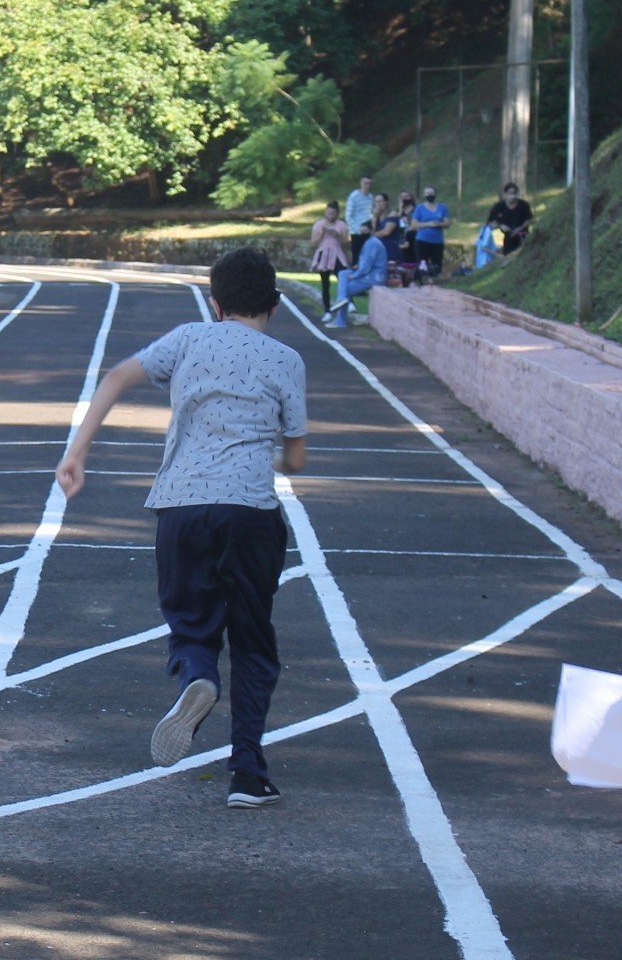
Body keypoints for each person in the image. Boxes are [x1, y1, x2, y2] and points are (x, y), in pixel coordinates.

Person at [57, 248, 307, 808]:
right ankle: (248, 772)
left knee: (191, 623)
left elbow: (118, 375)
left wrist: (77, 451)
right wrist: (266, 456)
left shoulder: (190, 338)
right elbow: (296, 457)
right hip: (249, 512)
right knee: (252, 639)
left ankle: (198, 674)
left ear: (214, 303)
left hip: (180, 507)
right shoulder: (287, 359)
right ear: (276, 303)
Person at [321, 225, 388, 328]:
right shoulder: (370, 242)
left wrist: (355, 275)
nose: (361, 233)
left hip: (374, 277)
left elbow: (366, 266)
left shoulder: (372, 244)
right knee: (343, 273)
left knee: (346, 288)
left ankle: (340, 318)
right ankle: (341, 299)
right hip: (371, 275)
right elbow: (366, 263)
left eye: (365, 230)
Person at [308, 201, 350, 312]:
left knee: (343, 277)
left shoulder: (341, 225)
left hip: (337, 254)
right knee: (325, 283)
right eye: (329, 213)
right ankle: (327, 310)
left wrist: (338, 235)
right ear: (326, 212)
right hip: (324, 255)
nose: (331, 216)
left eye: (333, 213)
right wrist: (322, 233)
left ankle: (348, 302)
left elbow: (346, 241)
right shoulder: (319, 224)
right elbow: (313, 242)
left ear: (337, 214)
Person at [412, 185, 449, 276]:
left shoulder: (443, 207)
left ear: (435, 194)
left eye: (431, 193)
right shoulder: (419, 208)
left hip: (437, 241)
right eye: (427, 193)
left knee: (436, 265)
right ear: (424, 195)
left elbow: (447, 223)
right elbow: (414, 225)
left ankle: (435, 283)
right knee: (422, 265)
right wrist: (428, 224)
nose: (430, 195)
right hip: (422, 240)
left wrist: (438, 224)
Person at [490, 182, 535, 253]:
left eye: (514, 193)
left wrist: (520, 228)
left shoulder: (524, 205)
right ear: (505, 194)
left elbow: (530, 219)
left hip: (522, 236)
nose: (512, 195)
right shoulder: (498, 207)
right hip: (507, 238)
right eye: (509, 193)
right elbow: (491, 222)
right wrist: (500, 226)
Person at [344, 176, 375, 263]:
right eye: (365, 183)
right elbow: (348, 216)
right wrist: (358, 228)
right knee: (357, 258)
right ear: (361, 184)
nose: (368, 186)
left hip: (368, 229)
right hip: (357, 232)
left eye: (369, 184)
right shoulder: (354, 196)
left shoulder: (371, 197)